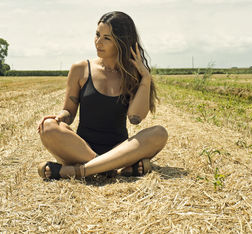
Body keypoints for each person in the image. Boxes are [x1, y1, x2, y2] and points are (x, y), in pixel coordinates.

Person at [37, 11, 168, 179]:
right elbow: (69, 112)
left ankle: (78, 171)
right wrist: (59, 117)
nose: (98, 42)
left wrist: (145, 78)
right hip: (82, 149)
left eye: (107, 38)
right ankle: (113, 168)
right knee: (48, 127)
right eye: (97, 35)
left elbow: (135, 117)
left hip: (119, 149)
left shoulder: (131, 75)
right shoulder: (80, 69)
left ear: (121, 43)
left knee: (159, 133)